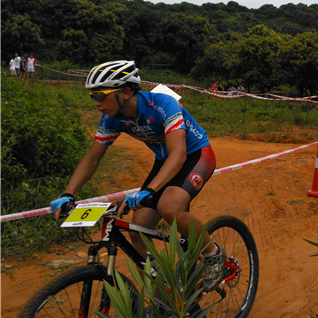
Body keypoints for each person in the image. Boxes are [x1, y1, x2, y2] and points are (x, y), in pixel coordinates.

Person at [50, 60, 225, 291]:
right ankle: (164, 291)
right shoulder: (112, 118)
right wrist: (68, 193)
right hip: (164, 161)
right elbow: (92, 158)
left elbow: (179, 153)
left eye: (100, 95)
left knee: (169, 208)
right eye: (92, 96)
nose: (96, 103)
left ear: (125, 92)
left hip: (195, 155)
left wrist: (150, 190)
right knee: (139, 228)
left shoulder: (162, 104)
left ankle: (213, 254)